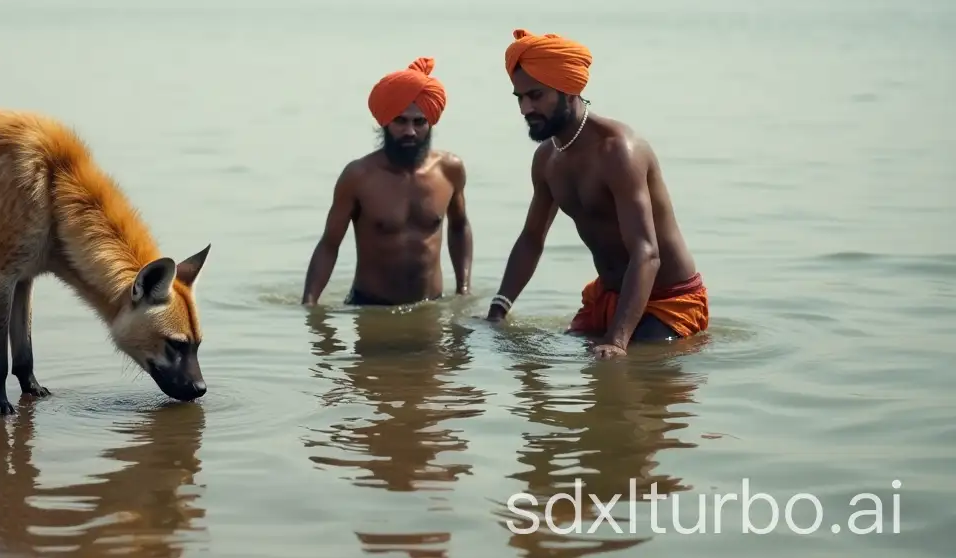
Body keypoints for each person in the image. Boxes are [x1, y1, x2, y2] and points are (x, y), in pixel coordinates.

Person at [485, 29, 709, 358]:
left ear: (569, 89)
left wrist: (617, 341)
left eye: (536, 96)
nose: (524, 108)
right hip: (609, 297)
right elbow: (532, 239)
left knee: (634, 368)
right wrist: (498, 311)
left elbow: (647, 253)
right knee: (534, 354)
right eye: (519, 97)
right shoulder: (547, 159)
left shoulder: (619, 151)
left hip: (668, 301)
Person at [302, 57, 472, 307]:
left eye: (419, 122)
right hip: (370, 305)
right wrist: (309, 303)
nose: (410, 131)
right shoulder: (359, 176)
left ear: (430, 123)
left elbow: (459, 227)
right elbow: (329, 244)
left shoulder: (449, 170)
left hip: (431, 306)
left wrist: (464, 290)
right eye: (401, 121)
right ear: (385, 122)